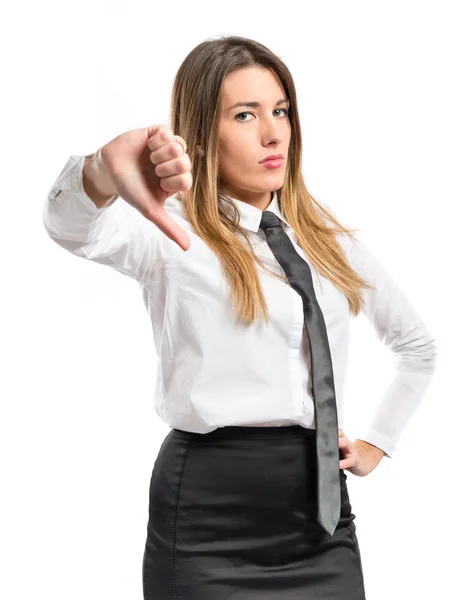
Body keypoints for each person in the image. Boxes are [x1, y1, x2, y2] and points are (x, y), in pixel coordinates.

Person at [42, 35, 437, 600]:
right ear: (203, 131)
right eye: (245, 115)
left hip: (319, 520)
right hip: (207, 517)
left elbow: (417, 346)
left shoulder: (328, 244)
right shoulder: (170, 231)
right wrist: (101, 172)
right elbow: (72, 229)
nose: (273, 133)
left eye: (280, 111)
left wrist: (380, 441)